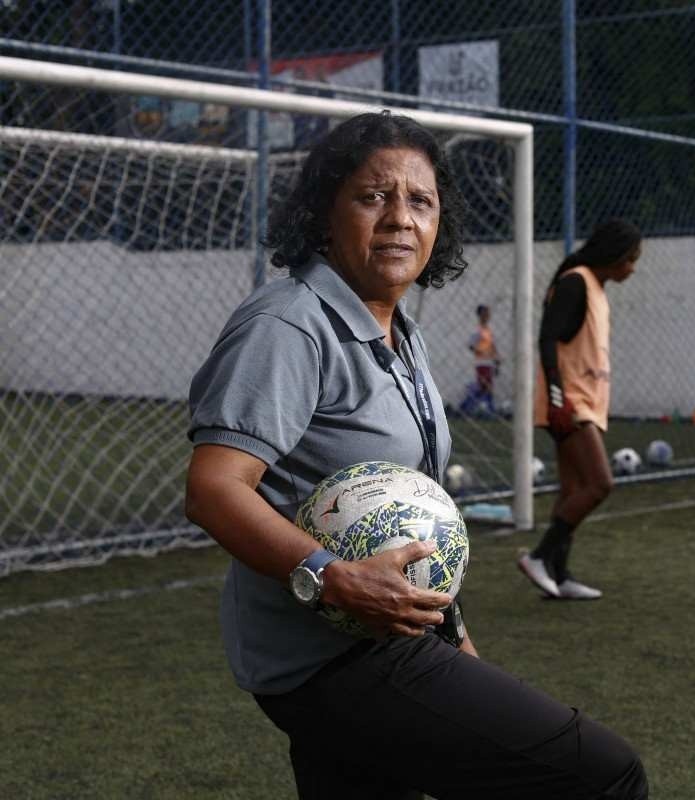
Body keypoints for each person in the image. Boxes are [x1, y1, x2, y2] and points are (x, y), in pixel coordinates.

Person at [185, 112, 647, 799]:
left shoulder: (403, 334)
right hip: (334, 654)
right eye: (373, 197)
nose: (400, 217)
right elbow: (214, 489)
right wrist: (333, 578)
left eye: (420, 201)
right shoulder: (288, 325)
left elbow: (417, 503)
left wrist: (452, 634)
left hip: (389, 635)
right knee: (605, 777)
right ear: (324, 212)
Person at [518, 219, 642, 601]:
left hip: (589, 401)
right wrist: (558, 395)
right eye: (631, 259)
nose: (633, 268)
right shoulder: (576, 281)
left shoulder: (598, 290)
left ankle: (559, 573)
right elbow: (547, 340)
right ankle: (539, 556)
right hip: (570, 403)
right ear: (616, 255)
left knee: (573, 488)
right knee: (600, 484)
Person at [461, 303, 501, 416]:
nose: (488, 315)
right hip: (481, 362)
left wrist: (496, 357)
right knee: (486, 387)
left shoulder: (488, 330)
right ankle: (489, 410)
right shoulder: (477, 330)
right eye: (486, 313)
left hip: (489, 362)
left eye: (489, 313)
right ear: (481, 315)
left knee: (484, 388)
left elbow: (492, 345)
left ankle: (466, 407)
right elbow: (471, 345)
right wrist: (482, 352)